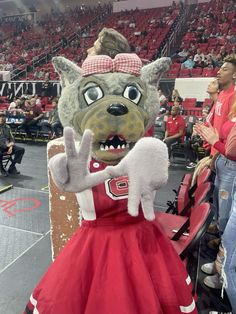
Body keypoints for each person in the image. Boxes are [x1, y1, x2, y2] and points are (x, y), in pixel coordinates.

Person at [196, 95, 236, 292]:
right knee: (222, 217)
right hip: (224, 163)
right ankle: (221, 265)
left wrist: (215, 142)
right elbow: (227, 141)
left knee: (227, 223)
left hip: (232, 169)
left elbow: (234, 151)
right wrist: (215, 141)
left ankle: (224, 272)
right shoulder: (233, 106)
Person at [0, 112, 25, 176]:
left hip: (8, 146)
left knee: (21, 150)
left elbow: (12, 139)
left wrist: (10, 147)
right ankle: (1, 169)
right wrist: (6, 146)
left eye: (3, 117)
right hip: (1, 146)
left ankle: (12, 167)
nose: (1, 118)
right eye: (0, 117)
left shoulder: (7, 127)